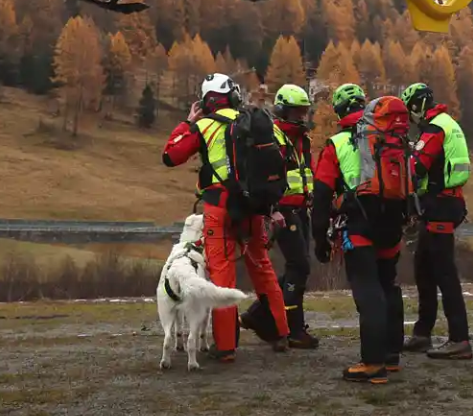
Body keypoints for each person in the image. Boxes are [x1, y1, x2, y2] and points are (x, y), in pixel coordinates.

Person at [159, 74, 289, 361]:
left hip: (220, 208)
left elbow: (170, 155)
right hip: (254, 207)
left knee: (222, 275)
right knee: (263, 270)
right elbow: (284, 156)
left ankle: (227, 347)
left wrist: (188, 122)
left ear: (208, 101)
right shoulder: (258, 122)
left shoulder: (204, 126)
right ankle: (281, 333)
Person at [311, 83, 408, 384]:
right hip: (392, 220)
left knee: (368, 290)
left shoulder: (336, 144)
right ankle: (391, 356)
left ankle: (372, 363)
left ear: (339, 111)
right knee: (388, 285)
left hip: (359, 224)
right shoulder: (391, 137)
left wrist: (319, 238)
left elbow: (322, 195)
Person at [240, 83, 319, 348]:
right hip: (283, 209)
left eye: (304, 112)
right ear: (283, 110)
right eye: (297, 112)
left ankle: (257, 314)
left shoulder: (301, 138)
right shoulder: (273, 135)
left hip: (300, 208)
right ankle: (292, 328)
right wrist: (271, 210)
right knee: (300, 266)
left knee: (298, 267)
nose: (302, 117)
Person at [403, 81, 473, 360]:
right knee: (424, 267)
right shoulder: (448, 122)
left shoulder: (434, 129)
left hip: (440, 204)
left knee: (444, 272)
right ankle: (423, 332)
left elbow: (417, 165)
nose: (411, 117)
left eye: (410, 111)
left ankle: (459, 339)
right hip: (446, 202)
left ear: (417, 106)